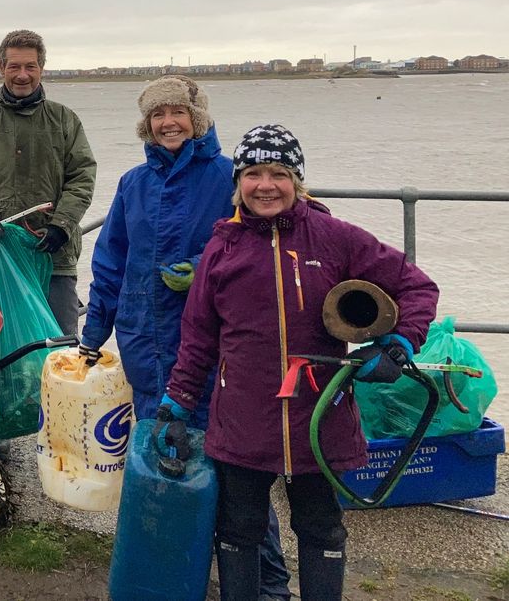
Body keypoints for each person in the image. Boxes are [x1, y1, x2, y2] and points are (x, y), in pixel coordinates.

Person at [161, 124, 439, 601]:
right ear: (238, 183)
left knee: (321, 527)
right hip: (244, 419)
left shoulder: (337, 238)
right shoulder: (221, 251)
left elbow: (416, 286)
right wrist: (178, 403)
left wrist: (399, 345)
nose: (265, 185)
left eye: (277, 173)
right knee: (238, 528)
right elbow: (199, 337)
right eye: (252, 173)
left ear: (297, 180)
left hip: (320, 414)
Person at [78, 76, 291, 600]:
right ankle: (166, 572)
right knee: (163, 461)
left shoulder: (228, 177)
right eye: (158, 114)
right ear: (146, 124)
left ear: (199, 118)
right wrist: (93, 332)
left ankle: (266, 583)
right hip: (143, 343)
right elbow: (111, 260)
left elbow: (259, 240)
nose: (169, 122)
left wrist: (202, 268)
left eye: (179, 111)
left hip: (214, 349)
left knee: (233, 464)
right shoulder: (133, 183)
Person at [0, 29, 97, 333]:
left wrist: (62, 225)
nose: (22, 75)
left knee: (60, 349)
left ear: (42, 68)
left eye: (30, 66)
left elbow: (82, 176)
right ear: (1, 68)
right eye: (14, 67)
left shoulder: (65, 119)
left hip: (54, 257)